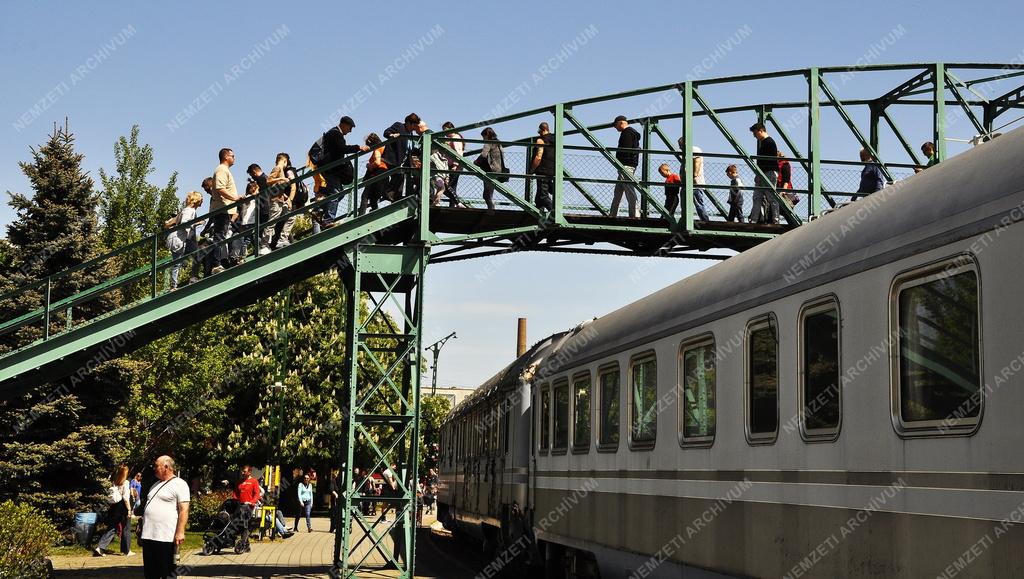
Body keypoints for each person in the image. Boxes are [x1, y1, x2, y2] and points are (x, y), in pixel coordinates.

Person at [140, 456, 189, 579]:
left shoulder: (180, 484)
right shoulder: (155, 484)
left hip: (166, 537)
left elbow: (184, 510)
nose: (154, 468)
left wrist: (180, 532)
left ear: (166, 467)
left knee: (167, 573)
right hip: (148, 536)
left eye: (156, 465)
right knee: (150, 574)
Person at [322, 116, 369, 224]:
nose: (350, 131)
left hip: (331, 169)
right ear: (344, 125)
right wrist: (358, 147)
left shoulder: (333, 133)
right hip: (331, 170)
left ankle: (319, 210)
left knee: (340, 194)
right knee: (335, 194)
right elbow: (342, 148)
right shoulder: (335, 133)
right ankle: (328, 220)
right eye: (350, 128)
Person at [163, 191, 203, 290]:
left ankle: (173, 285)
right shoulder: (190, 210)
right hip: (178, 239)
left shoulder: (185, 210)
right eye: (201, 199)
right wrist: (197, 223)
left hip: (176, 239)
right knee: (180, 262)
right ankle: (176, 284)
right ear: (196, 200)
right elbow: (185, 223)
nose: (202, 202)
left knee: (179, 262)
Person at [211, 148, 241, 272]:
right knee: (219, 236)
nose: (234, 158)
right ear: (226, 157)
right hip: (221, 208)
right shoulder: (222, 170)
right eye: (232, 156)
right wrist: (235, 198)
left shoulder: (224, 170)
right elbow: (220, 188)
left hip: (225, 209)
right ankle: (216, 264)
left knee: (222, 236)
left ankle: (221, 262)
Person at [94, 465, 133, 557]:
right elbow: (126, 497)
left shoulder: (114, 481)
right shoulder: (126, 482)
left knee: (112, 527)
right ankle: (126, 550)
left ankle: (100, 547)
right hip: (123, 506)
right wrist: (129, 509)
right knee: (126, 527)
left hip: (115, 506)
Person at [382, 113, 422, 201]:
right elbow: (386, 132)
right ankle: (387, 193)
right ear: (408, 123)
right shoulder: (399, 126)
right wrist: (391, 135)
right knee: (398, 176)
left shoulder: (410, 134)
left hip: (403, 162)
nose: (414, 128)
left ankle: (395, 197)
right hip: (393, 159)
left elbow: (411, 150)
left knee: (401, 178)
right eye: (414, 125)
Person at [749, 123, 779, 224]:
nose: (754, 136)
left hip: (768, 173)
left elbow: (767, 161)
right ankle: (754, 219)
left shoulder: (769, 142)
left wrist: (759, 174)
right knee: (758, 197)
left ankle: (775, 220)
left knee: (770, 197)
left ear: (761, 131)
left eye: (755, 133)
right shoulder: (766, 142)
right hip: (764, 173)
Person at [610, 115, 640, 218]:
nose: (615, 127)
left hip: (625, 166)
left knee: (629, 189)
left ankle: (635, 214)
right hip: (627, 165)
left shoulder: (627, 133)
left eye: (616, 125)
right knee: (618, 191)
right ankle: (612, 214)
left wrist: (621, 163)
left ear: (621, 123)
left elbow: (626, 150)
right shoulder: (631, 133)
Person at [265, 153, 297, 249]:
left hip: (281, 200)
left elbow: (276, 186)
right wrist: (282, 178)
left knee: (291, 216)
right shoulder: (278, 168)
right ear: (285, 161)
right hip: (275, 201)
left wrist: (287, 198)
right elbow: (268, 180)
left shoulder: (281, 170)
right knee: (272, 222)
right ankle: (264, 244)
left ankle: (282, 239)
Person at [676, 137, 711, 221]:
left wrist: (693, 176)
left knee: (698, 204)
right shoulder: (687, 152)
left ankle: (705, 221)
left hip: (694, 184)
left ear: (685, 143)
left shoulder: (694, 150)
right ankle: (686, 220)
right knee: (685, 205)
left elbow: (697, 164)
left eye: (680, 145)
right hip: (687, 183)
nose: (680, 147)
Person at [529, 122, 556, 213]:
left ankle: (554, 213)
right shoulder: (555, 139)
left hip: (542, 170)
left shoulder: (541, 140)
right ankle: (538, 211)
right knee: (540, 194)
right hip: (553, 169)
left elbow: (538, 157)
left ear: (543, 129)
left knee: (543, 195)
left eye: (539, 130)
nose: (538, 132)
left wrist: (532, 170)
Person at [233, 465, 261, 552]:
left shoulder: (254, 481)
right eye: (242, 471)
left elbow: (257, 494)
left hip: (248, 507)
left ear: (249, 472)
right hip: (239, 506)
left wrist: (251, 502)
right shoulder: (240, 482)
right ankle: (246, 545)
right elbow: (235, 493)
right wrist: (234, 501)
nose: (242, 473)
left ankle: (244, 544)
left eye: (244, 471)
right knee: (241, 525)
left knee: (244, 523)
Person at [477, 127, 505, 211]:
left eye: (483, 137)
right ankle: (491, 208)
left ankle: (491, 210)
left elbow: (483, 155)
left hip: (491, 170)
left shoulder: (488, 143)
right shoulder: (499, 143)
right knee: (489, 192)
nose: (483, 139)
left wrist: (476, 162)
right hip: (499, 169)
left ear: (487, 135)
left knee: (486, 195)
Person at [359, 133, 388, 214]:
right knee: (373, 198)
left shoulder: (377, 149)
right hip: (385, 175)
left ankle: (360, 216)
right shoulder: (385, 148)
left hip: (376, 175)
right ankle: (375, 212)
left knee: (365, 196)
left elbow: (377, 162)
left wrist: (369, 166)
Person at [441, 121, 464, 202]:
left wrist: (455, 165)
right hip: (453, 165)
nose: (444, 133)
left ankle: (457, 203)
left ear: (451, 129)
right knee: (452, 187)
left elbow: (459, 153)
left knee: (447, 186)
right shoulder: (451, 139)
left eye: (445, 130)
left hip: (455, 166)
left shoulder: (455, 138)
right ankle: (455, 203)